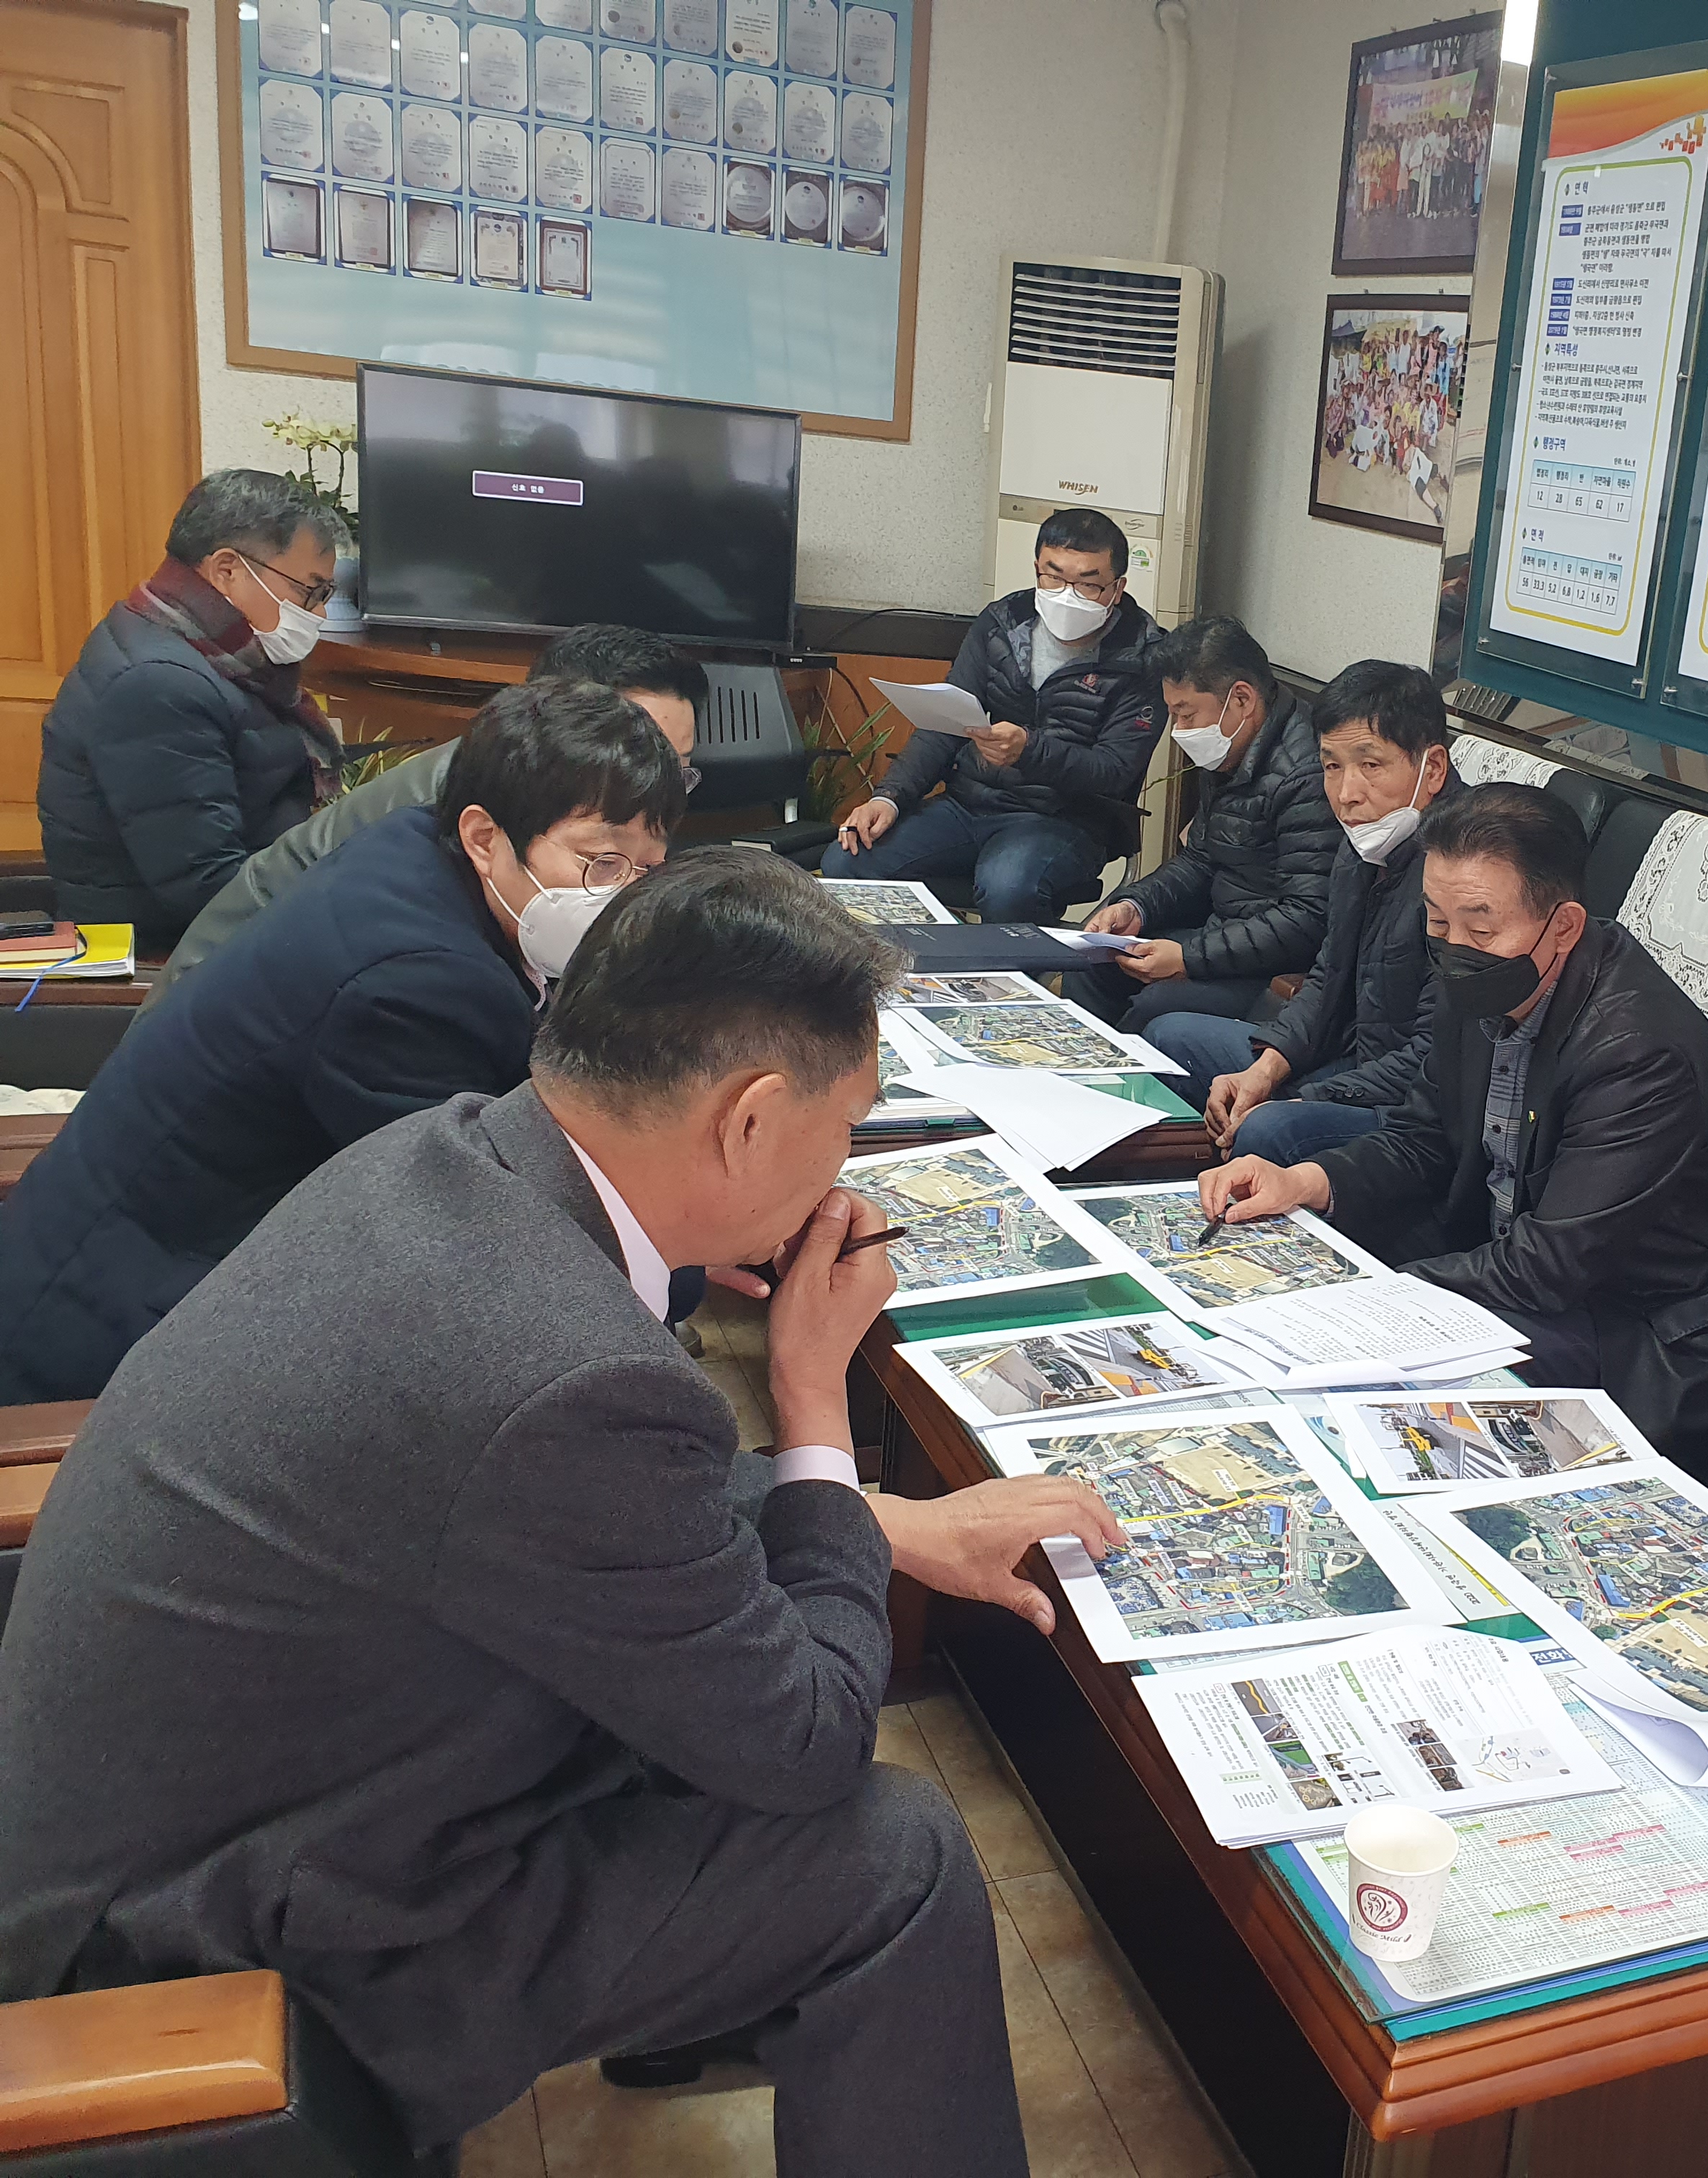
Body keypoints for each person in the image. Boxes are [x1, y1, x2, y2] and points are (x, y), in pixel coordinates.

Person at [0, 852, 1126, 2172]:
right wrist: (813, 1400)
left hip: (171, 1812)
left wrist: (870, 1518)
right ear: (750, 1119)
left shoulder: (452, 1154)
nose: (848, 1164)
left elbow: (556, 1508)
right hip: (206, 1940)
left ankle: (716, 2007)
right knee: (894, 1856)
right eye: (850, 1123)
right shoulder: (567, 1371)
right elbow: (809, 1739)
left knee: (712, 1688)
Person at [0, 680, 685, 1403]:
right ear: (486, 838)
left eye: (647, 871)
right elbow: (481, 1232)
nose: (622, 897)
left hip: (154, 1245)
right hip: (112, 1335)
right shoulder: (417, 981)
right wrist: (679, 1234)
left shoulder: (424, 848)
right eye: (602, 864)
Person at [1196, 784, 1708, 1471]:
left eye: (1482, 929)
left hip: (1653, 1326)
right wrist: (1303, 1182)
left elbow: (1547, 1268)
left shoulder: (1639, 1054)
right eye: (1437, 921)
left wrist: (1379, 1296)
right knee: (1289, 1261)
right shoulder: (1485, 977)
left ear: (1564, 927)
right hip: (1515, 1249)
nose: (1455, 948)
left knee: (1381, 1376)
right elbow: (1422, 1138)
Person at [138, 622, 709, 1011]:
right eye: (639, 751)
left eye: (677, 768)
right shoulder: (469, 810)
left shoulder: (543, 796)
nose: (656, 784)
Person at [1143, 659, 1459, 1165]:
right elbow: (1326, 977)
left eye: (1371, 765)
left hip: (1409, 1104)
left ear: (1434, 769)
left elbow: (1435, 1057)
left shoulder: (1460, 873)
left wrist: (1303, 1098)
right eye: (1332, 766)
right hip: (1343, 1058)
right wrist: (1265, 1071)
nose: (1347, 794)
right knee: (1168, 1037)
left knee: (1269, 1127)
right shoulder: (1366, 845)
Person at [38, 470, 353, 949]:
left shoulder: (198, 646)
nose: (319, 614)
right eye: (310, 591)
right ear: (227, 570)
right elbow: (209, 891)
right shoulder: (157, 683)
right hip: (173, 955)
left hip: (232, 918)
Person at [825, 506, 1161, 923]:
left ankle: (1007, 967)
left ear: (1117, 588)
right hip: (969, 802)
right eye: (1053, 577)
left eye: (1088, 585)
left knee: (1009, 885)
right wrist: (889, 797)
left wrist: (1029, 751)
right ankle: (912, 961)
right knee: (847, 861)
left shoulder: (1144, 657)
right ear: (1037, 568)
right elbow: (944, 722)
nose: (1066, 594)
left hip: (1067, 820)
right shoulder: (1001, 623)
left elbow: (1116, 770)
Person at [1071, 614, 1336, 1034]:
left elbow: (1307, 918)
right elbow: (1200, 859)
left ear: (1242, 699)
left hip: (1278, 967)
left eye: (1187, 714)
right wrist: (1136, 906)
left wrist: (1189, 957)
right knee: (1092, 965)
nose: (1179, 731)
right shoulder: (1234, 746)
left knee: (1155, 1009)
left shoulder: (1307, 774)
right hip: (1223, 935)